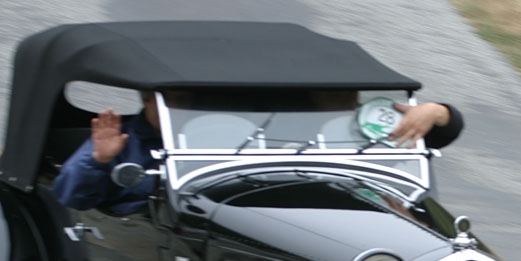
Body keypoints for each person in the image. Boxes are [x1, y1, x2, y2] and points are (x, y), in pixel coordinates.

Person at [53, 91, 463, 214]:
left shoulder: (250, 133)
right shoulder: (120, 138)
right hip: (164, 240)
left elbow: (428, 133)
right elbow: (71, 195)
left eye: (187, 98)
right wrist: (102, 159)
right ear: (148, 99)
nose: (183, 106)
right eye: (172, 99)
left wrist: (436, 111)